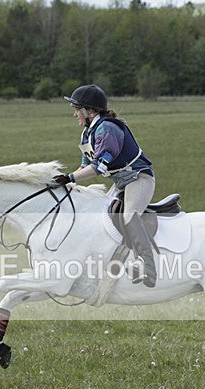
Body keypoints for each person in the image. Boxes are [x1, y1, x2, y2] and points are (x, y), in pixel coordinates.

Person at [54, 84, 157, 288]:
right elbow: (85, 167)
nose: (75, 114)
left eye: (77, 109)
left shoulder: (107, 129)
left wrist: (70, 177)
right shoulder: (87, 134)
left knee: (128, 216)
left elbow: (98, 168)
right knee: (101, 217)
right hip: (121, 182)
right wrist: (67, 183)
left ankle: (148, 267)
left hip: (139, 178)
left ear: (89, 111)